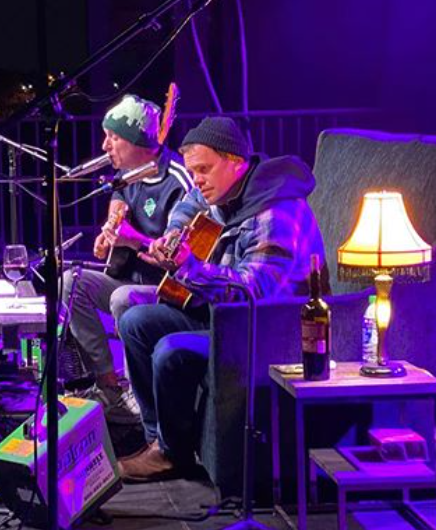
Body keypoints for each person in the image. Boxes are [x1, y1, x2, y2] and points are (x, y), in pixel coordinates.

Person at [117, 116, 328, 481]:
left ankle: (171, 454)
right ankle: (158, 441)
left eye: (203, 169)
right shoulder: (224, 188)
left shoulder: (275, 211)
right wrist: (173, 236)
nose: (196, 179)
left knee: (171, 349)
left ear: (236, 160)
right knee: (135, 321)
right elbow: (188, 204)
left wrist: (188, 268)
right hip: (223, 317)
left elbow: (253, 293)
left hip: (264, 331)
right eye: (191, 170)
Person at [61, 94, 194, 425]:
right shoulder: (125, 176)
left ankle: (141, 391)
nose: (105, 145)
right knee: (70, 282)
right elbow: (119, 209)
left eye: (114, 137)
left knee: (123, 298)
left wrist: (133, 241)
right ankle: (109, 385)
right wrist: (108, 239)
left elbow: (178, 255)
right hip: (129, 279)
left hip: (169, 290)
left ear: (139, 141)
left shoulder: (178, 180)